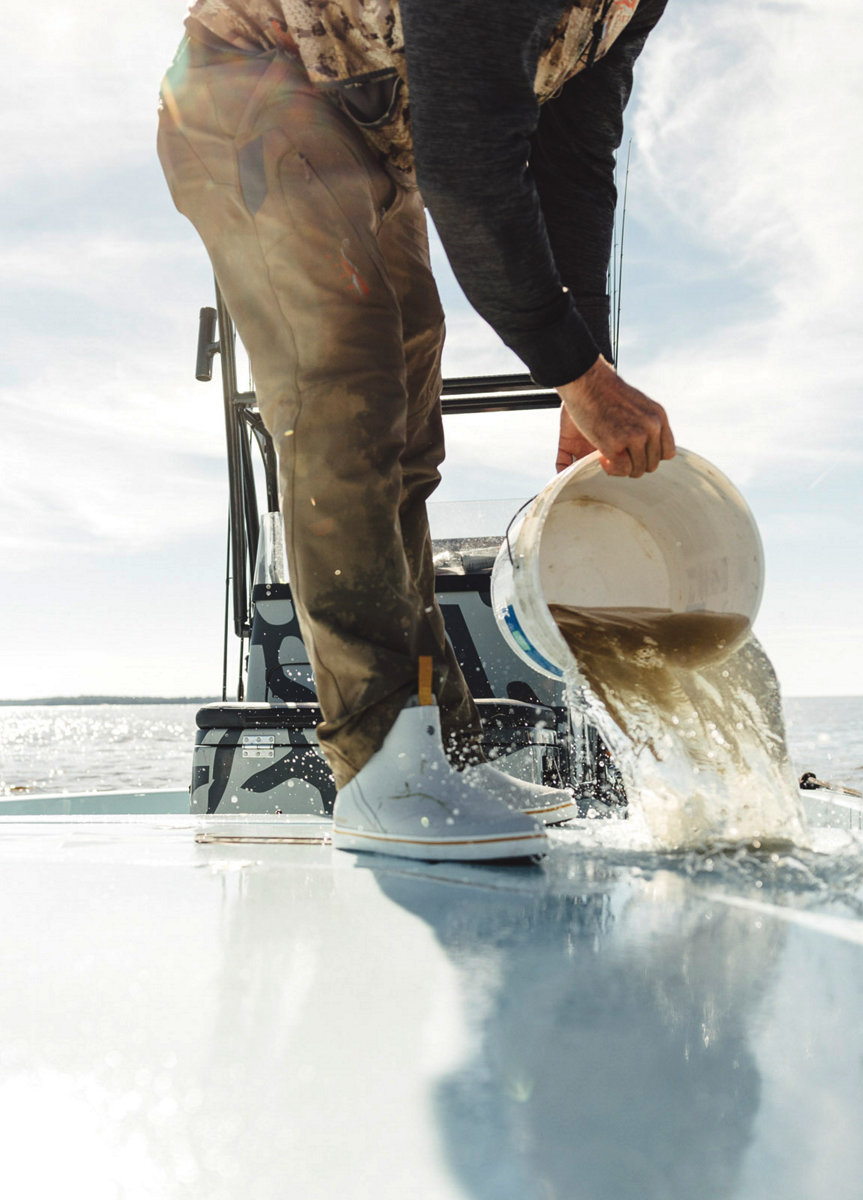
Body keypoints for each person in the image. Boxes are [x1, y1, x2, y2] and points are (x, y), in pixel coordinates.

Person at [158, 1, 674, 861]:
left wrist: (586, 376)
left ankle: (446, 750)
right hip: (254, 90)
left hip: (369, 138)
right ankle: (379, 769)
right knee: (346, 394)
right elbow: (470, 171)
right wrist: (576, 374)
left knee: (407, 425)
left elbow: (575, 161)